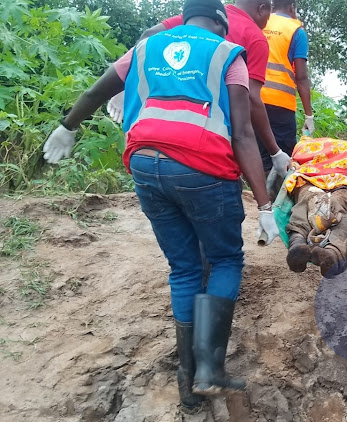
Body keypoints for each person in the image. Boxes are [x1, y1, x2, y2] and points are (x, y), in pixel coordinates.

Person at [41, 0, 279, 413]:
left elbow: (97, 90)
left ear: (184, 20)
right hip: (202, 168)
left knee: (185, 268)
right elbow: (242, 133)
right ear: (221, 22)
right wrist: (264, 205)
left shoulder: (146, 48)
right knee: (224, 261)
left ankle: (188, 388)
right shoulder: (228, 54)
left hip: (146, 164)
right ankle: (210, 369)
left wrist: (68, 126)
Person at [106, 0, 293, 179]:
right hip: (205, 135)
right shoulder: (255, 37)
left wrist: (129, 86)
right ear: (262, 9)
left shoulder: (201, 11)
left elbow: (149, 34)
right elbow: (251, 99)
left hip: (152, 137)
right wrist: (275, 151)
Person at [283, 137, 347, 277]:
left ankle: (325, 250)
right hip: (320, 177)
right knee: (325, 204)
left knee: (319, 203)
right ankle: (307, 246)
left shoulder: (311, 146)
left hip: (333, 179)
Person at [258, 0, 314, 179]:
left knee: (260, 154)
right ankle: (278, 200)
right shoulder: (296, 31)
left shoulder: (259, 23)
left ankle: (264, 199)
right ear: (292, 8)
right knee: (285, 157)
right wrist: (308, 115)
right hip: (280, 105)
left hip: (253, 99)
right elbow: (301, 77)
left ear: (272, 7)